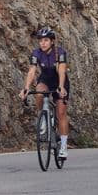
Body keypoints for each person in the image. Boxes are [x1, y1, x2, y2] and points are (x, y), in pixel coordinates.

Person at [20, 26, 70, 160]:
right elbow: (32, 71)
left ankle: (64, 147)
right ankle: (43, 116)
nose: (43, 43)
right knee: (39, 93)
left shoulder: (59, 52)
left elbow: (62, 70)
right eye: (41, 40)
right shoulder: (36, 53)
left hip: (60, 80)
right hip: (45, 79)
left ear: (52, 41)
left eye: (46, 40)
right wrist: (26, 87)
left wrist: (60, 87)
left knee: (61, 113)